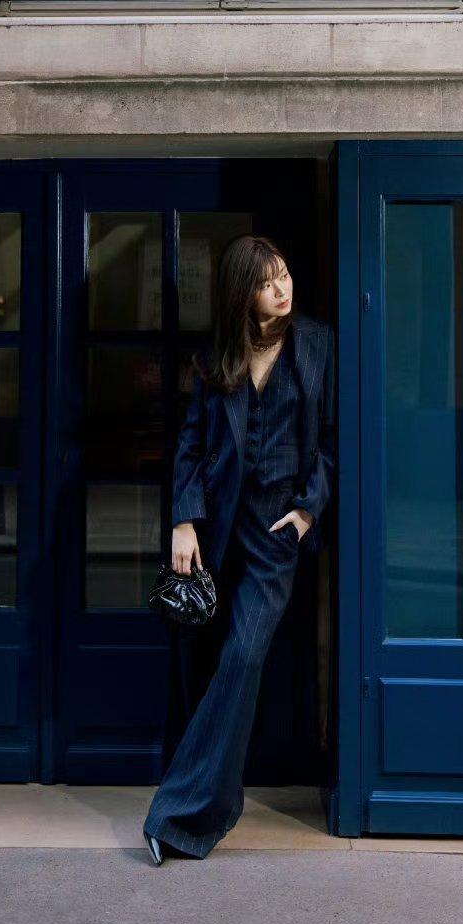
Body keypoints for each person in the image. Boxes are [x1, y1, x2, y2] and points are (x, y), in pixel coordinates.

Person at [142, 233, 337, 863]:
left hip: (276, 531)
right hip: (217, 527)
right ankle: (209, 802)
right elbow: (192, 444)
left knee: (243, 658)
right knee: (202, 663)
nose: (281, 289)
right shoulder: (217, 356)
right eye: (266, 281)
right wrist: (184, 520)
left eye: (284, 275)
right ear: (242, 293)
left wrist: (307, 511)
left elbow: (333, 439)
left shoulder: (317, 343)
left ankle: (178, 817)